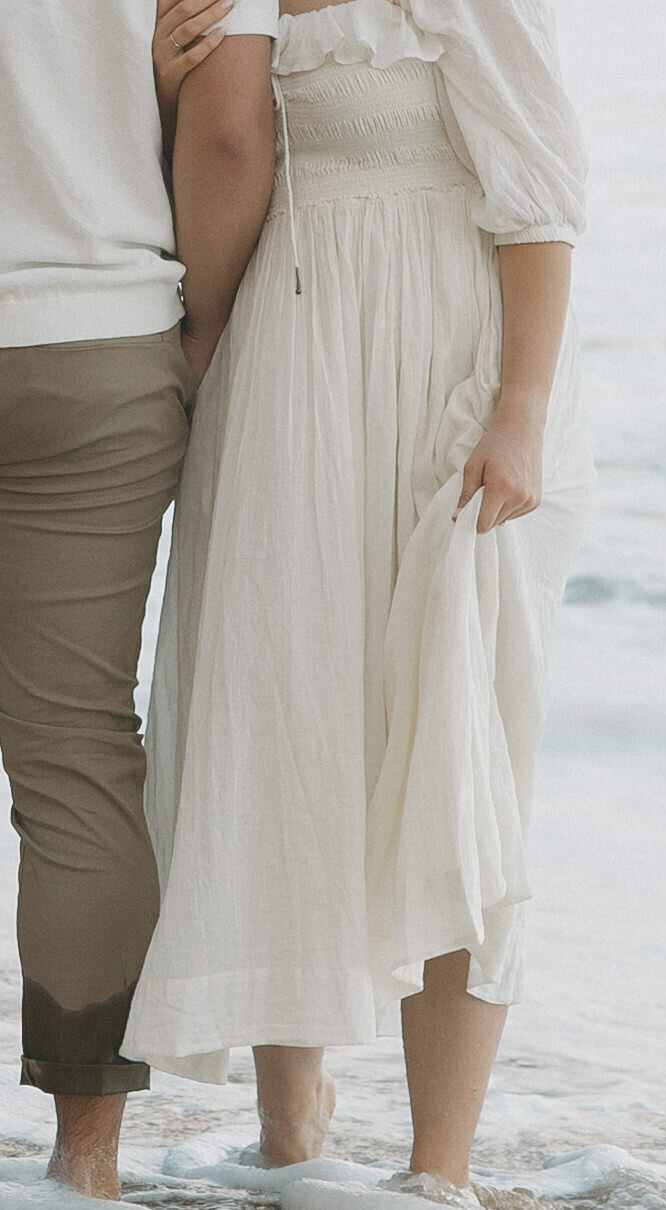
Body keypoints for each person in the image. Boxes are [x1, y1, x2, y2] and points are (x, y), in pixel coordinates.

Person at [123, 0, 595, 1198]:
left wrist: (522, 413)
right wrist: (166, 91)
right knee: (284, 721)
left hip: (453, 370)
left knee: (456, 753)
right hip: (288, 367)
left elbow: (542, 189)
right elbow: (226, 153)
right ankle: (293, 1136)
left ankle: (438, 1170)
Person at [0, 0, 277, 1198]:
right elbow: (229, 132)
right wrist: (198, 338)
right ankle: (85, 1168)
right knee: (74, 755)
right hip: (97, 337)